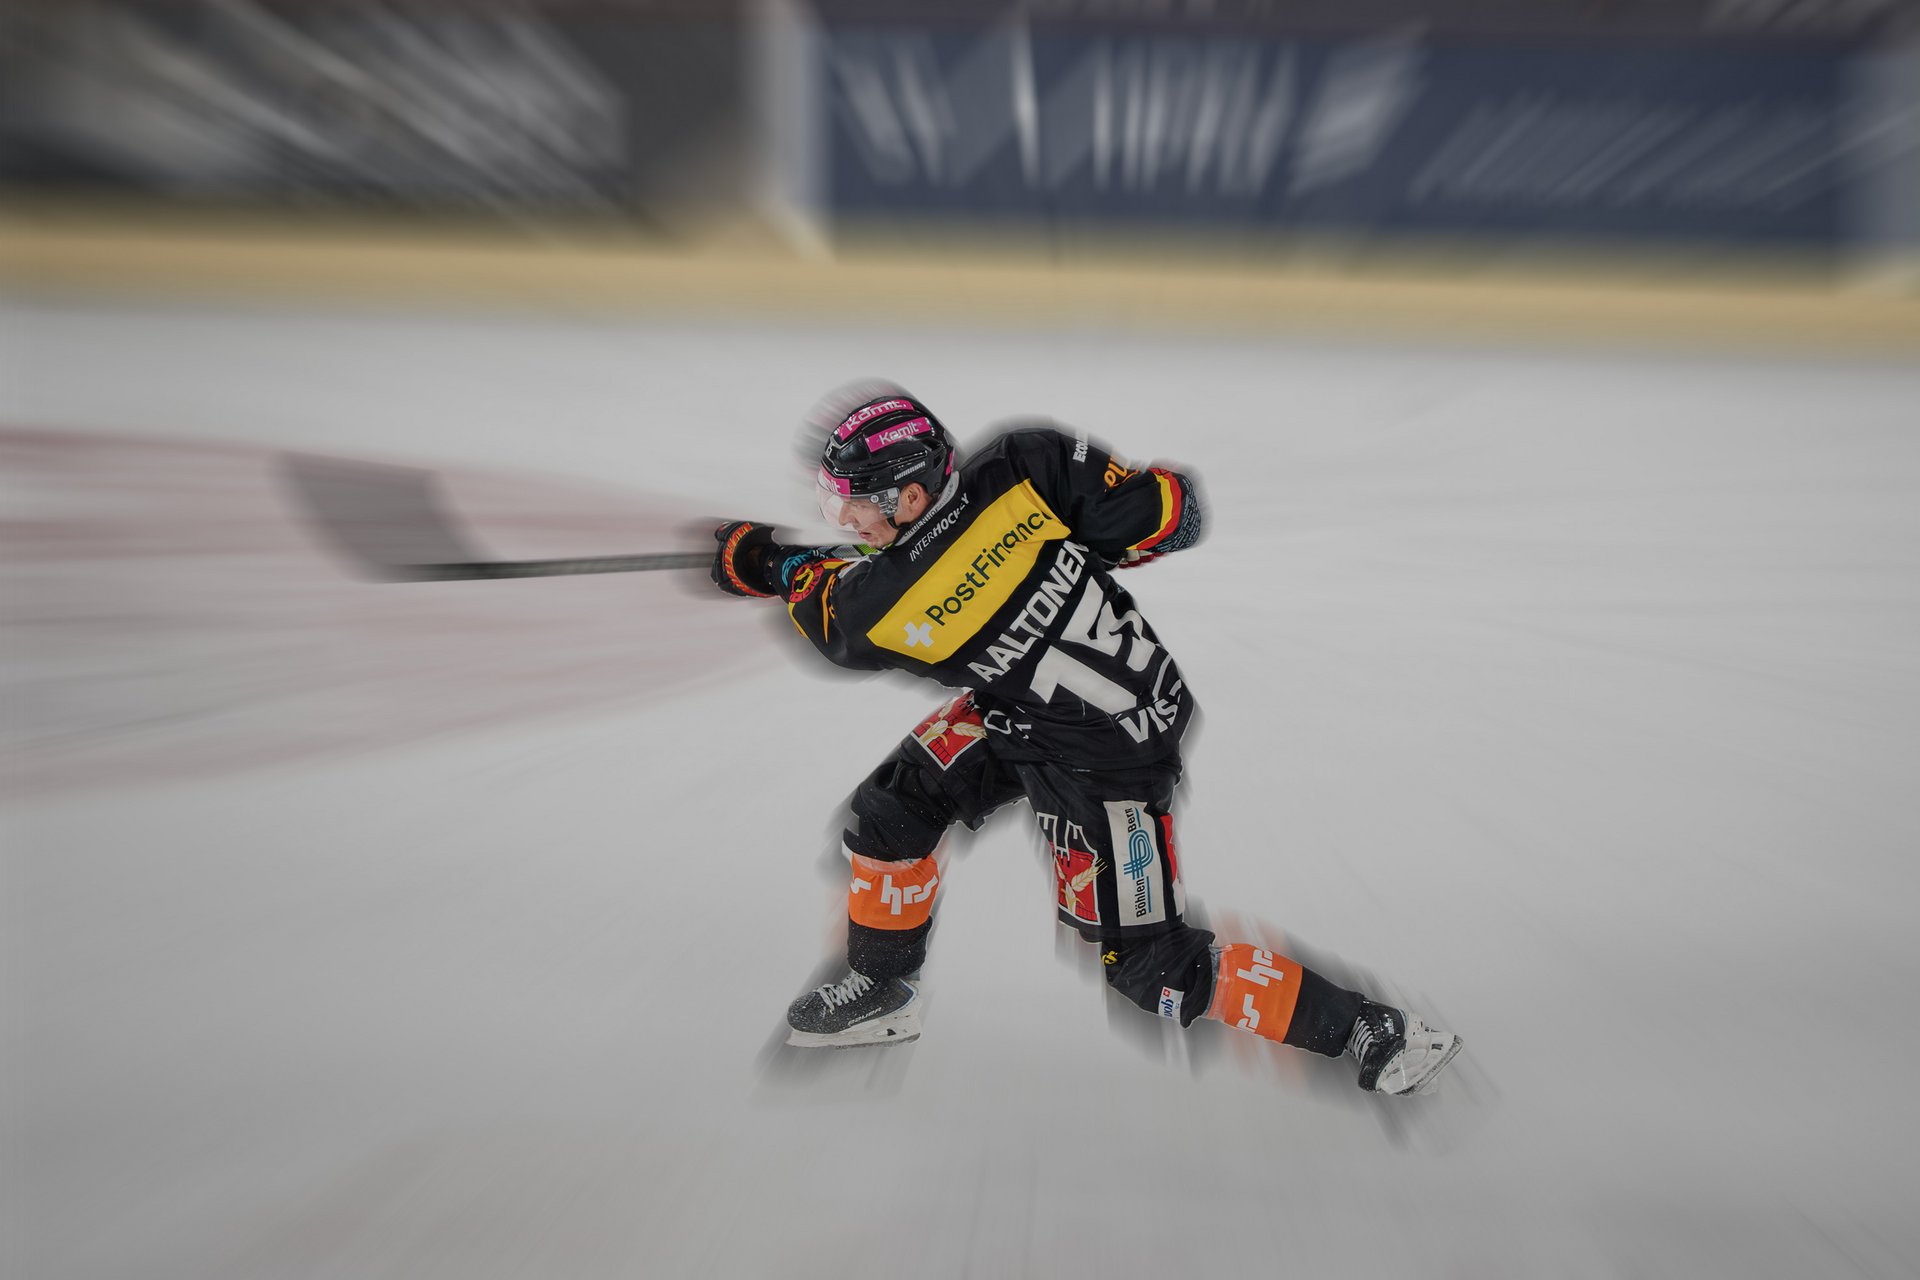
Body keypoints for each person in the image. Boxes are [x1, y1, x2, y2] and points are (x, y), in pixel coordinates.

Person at [711, 383, 1461, 1095]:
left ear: (910, 497)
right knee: (893, 809)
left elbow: (825, 602)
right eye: (834, 504)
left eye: (852, 504)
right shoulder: (1026, 464)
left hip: (1110, 761)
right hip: (1040, 707)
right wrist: (1080, 541)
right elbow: (1174, 514)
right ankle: (880, 989)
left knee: (1154, 968)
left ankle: (1372, 1031)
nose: (845, 521)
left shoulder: (880, 605)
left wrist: (764, 559)